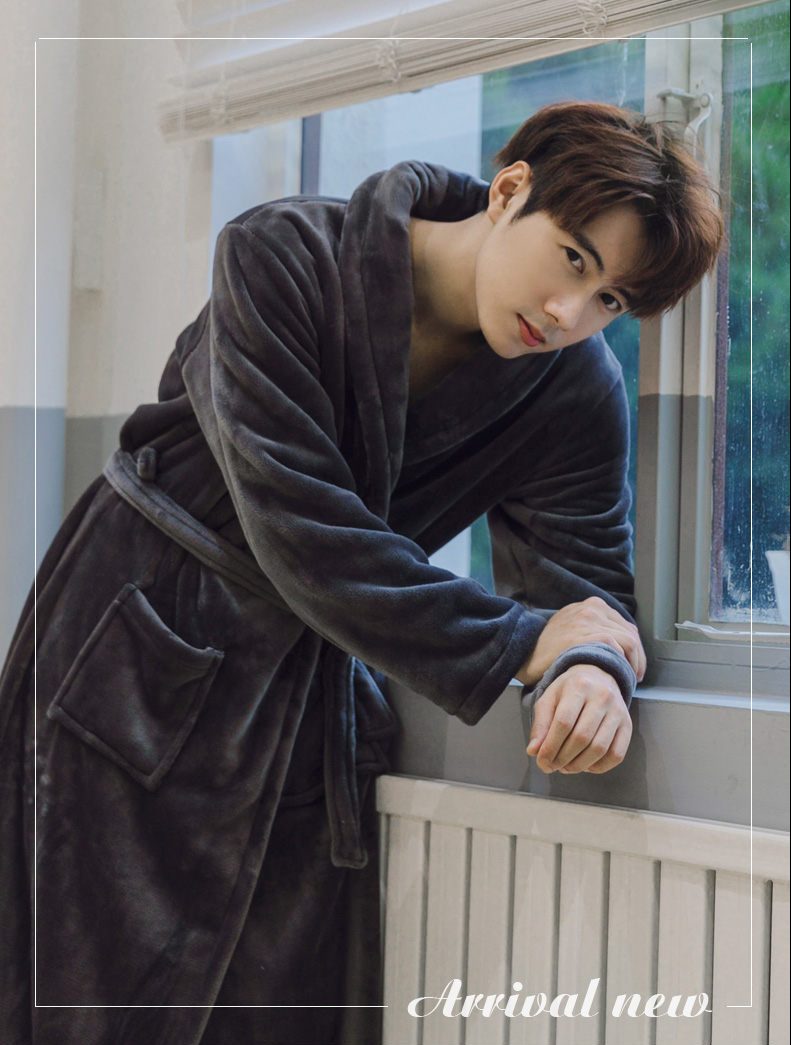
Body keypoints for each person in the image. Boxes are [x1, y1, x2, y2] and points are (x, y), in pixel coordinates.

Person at [0, 101, 723, 1045]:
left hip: (303, 698)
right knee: (72, 997)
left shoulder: (575, 391)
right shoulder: (281, 252)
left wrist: (589, 669)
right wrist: (522, 640)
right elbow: (295, 523)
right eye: (573, 259)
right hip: (133, 645)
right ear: (510, 189)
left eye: (610, 302)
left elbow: (581, 593)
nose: (568, 314)